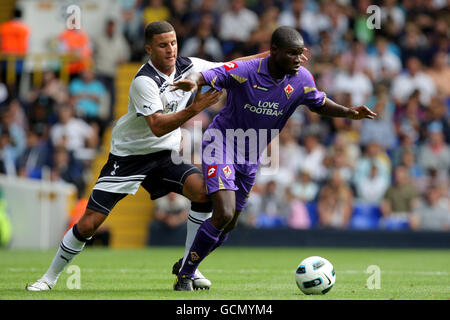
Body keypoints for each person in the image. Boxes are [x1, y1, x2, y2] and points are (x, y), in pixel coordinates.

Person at [25, 21, 277, 292]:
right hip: (129, 156)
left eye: (173, 43)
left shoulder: (189, 66)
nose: (170, 49)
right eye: (162, 45)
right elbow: (156, 126)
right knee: (89, 224)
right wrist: (196, 108)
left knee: (204, 194)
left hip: (164, 155)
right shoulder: (143, 81)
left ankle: (189, 267)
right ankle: (48, 278)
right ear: (149, 48)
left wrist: (274, 54)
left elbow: (234, 64)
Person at [171, 26, 376, 290]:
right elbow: (214, 73)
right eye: (292, 54)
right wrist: (195, 81)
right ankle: (186, 276)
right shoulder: (247, 71)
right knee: (222, 212)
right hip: (221, 143)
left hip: (252, 153)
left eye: (300, 54)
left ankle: (188, 262)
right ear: (275, 51)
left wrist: (348, 112)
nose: (298, 59)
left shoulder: (302, 78)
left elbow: (319, 102)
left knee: (230, 223)